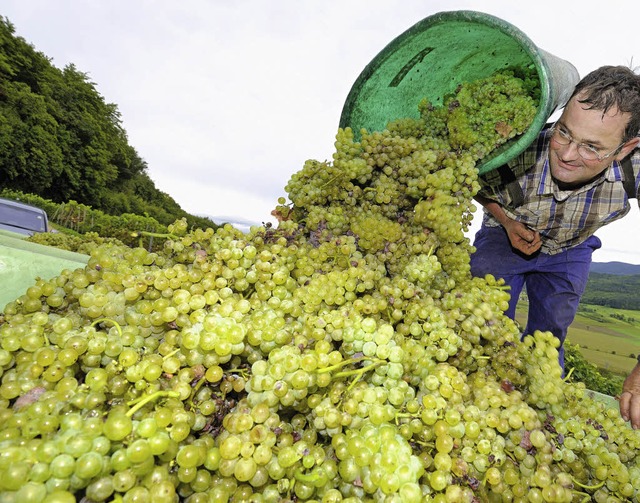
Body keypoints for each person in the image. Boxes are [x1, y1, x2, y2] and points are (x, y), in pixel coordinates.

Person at [469, 65, 640, 429]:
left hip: (572, 245)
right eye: (565, 132)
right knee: (482, 324)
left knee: (550, 332)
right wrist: (508, 221)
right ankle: (478, 400)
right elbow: (475, 181)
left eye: (592, 147)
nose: (567, 154)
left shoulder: (635, 168)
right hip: (505, 234)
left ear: (626, 149)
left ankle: (540, 410)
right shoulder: (520, 145)